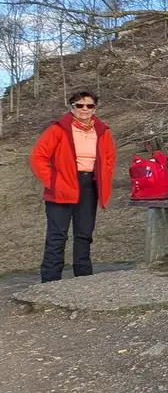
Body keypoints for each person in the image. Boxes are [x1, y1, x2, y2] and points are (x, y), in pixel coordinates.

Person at [30, 89, 117, 283]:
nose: (84, 109)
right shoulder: (58, 129)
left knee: (84, 234)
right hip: (61, 187)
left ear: (94, 109)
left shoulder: (102, 131)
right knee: (57, 236)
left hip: (88, 187)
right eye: (80, 105)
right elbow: (38, 157)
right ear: (72, 107)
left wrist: (103, 178)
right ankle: (51, 282)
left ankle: (83, 281)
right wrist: (53, 181)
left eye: (89, 105)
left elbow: (109, 159)